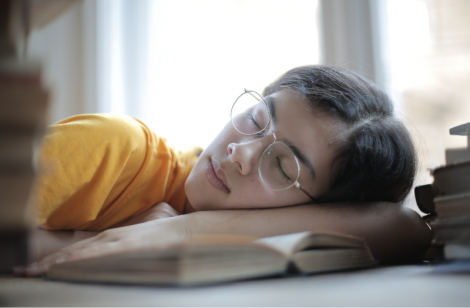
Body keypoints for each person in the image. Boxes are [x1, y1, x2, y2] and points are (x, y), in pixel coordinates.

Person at [15, 66, 431, 276]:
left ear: (322, 210)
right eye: (256, 119)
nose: (240, 152)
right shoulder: (120, 151)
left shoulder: (231, 247)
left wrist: (181, 231)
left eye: (282, 165)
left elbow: (404, 227)